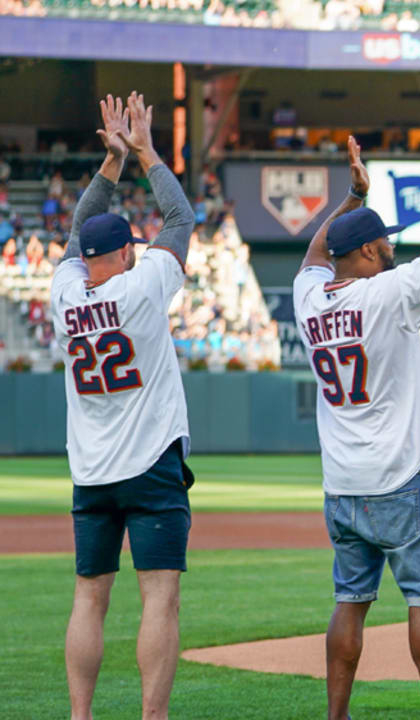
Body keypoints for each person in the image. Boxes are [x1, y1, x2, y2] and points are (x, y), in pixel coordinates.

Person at [293, 128, 420, 720]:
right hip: (402, 478)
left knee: (350, 602)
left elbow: (314, 257)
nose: (391, 249)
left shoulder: (309, 298)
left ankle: (336, 715)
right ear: (368, 253)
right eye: (384, 243)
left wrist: (351, 198)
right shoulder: (388, 293)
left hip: (344, 484)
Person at [52, 92, 196, 720]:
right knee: (158, 600)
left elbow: (76, 232)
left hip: (91, 470)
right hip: (150, 464)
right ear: (126, 253)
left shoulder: (64, 292)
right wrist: (144, 152)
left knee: (89, 599)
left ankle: (80, 717)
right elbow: (181, 218)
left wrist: (108, 165)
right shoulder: (142, 285)